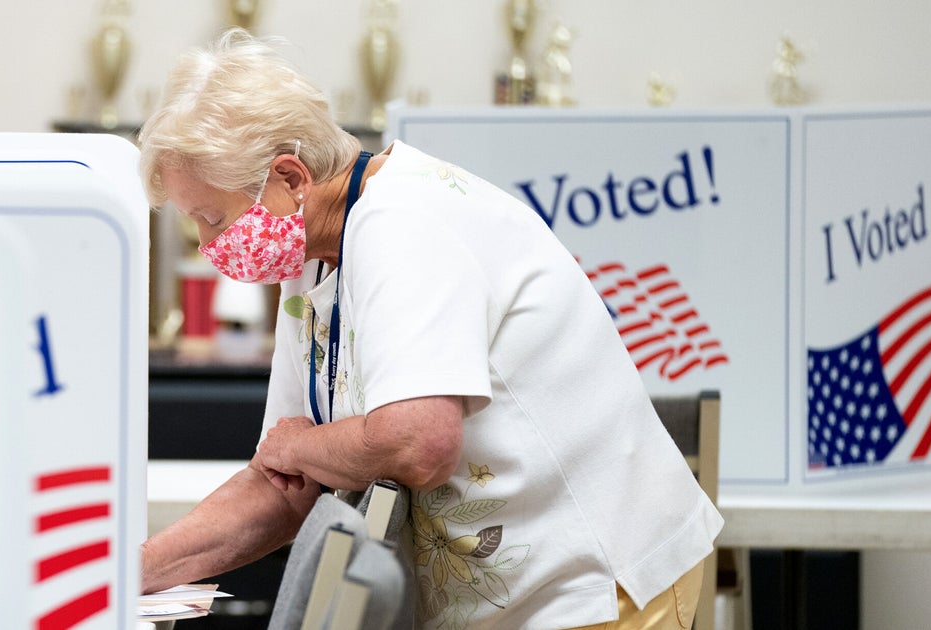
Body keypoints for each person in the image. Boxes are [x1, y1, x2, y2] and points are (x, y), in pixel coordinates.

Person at [138, 29, 724, 630]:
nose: (208, 246)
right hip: (498, 596)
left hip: (595, 584)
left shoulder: (403, 224)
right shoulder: (312, 253)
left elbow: (420, 443)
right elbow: (282, 486)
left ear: (290, 179)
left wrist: (302, 445)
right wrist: (132, 571)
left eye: (212, 218)